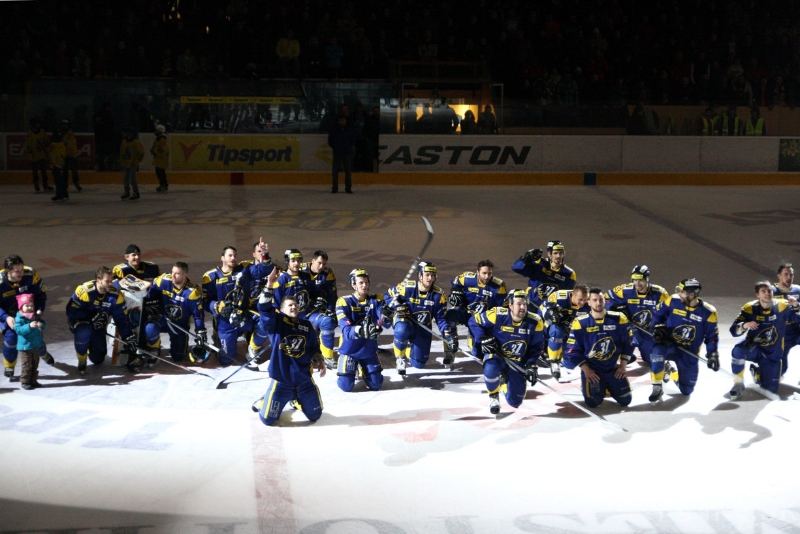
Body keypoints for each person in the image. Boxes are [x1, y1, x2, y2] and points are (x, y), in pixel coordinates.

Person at [251, 267, 326, 426]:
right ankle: (264, 401)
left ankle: (296, 400)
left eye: (295, 305)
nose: (294, 307)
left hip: (304, 381)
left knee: (315, 415)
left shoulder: (308, 326)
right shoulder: (276, 322)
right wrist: (269, 286)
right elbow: (264, 308)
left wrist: (319, 360)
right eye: (290, 305)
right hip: (282, 382)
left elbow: (313, 348)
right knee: (268, 420)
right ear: (282, 310)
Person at [254, 249, 336, 367]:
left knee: (327, 321)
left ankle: (327, 356)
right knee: (264, 326)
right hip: (287, 321)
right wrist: (284, 321)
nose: (296, 263)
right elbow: (275, 306)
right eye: (293, 260)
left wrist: (320, 299)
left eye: (298, 260)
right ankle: (254, 347)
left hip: (307, 316)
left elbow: (316, 293)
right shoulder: (281, 279)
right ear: (287, 262)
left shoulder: (306, 276)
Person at [468, 289, 545, 414]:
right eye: (519, 304)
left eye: (524, 304)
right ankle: (493, 395)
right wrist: (482, 338)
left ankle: (503, 381)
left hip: (516, 361)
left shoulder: (536, 321)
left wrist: (531, 364)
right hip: (496, 354)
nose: (522, 307)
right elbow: (473, 321)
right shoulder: (497, 314)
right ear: (510, 305)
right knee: (491, 368)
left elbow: (536, 346)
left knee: (515, 402)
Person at [647, 278, 720, 404]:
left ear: (691, 295)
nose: (678, 294)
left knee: (687, 390)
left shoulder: (709, 312)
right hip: (669, 345)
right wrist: (655, 327)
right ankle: (657, 387)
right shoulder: (672, 300)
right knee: (657, 351)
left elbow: (712, 336)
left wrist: (712, 354)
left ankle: (671, 371)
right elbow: (657, 313)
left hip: (688, 351)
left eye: (682, 292)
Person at [202, 239, 272, 366]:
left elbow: (264, 270)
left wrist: (264, 254)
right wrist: (215, 306)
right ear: (222, 258)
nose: (233, 258)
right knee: (226, 360)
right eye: (230, 255)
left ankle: (252, 348)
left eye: (235, 255)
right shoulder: (210, 276)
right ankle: (218, 336)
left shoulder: (244, 269)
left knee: (266, 322)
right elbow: (205, 302)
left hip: (244, 315)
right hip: (225, 321)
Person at [563, 288, 634, 408]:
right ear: (589, 302)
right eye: (594, 300)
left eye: (601, 300)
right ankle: (593, 386)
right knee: (593, 402)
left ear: (605, 301)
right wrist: (586, 370)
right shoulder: (580, 322)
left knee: (626, 400)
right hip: (592, 370)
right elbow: (571, 350)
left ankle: (607, 386)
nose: (598, 303)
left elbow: (629, 343)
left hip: (612, 368)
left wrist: (623, 365)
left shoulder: (619, 318)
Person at [728, 281, 800, 398]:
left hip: (773, 355)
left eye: (769, 290)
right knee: (738, 350)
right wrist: (744, 325)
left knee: (771, 389)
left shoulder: (782, 306)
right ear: (757, 295)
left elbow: (798, 318)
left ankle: (758, 373)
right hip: (754, 348)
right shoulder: (750, 308)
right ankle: (738, 383)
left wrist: (796, 306)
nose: (767, 293)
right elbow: (733, 331)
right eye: (763, 291)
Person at [384, 262, 453, 375]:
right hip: (406, 322)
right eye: (427, 275)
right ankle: (400, 358)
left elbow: (441, 318)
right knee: (401, 329)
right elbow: (388, 295)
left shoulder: (439, 295)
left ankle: (408, 349)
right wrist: (397, 305)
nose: (430, 278)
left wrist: (447, 333)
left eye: (432, 275)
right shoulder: (407, 287)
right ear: (420, 276)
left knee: (419, 363)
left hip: (423, 327)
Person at [65, 266, 136, 375]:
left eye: (111, 280)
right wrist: (90, 316)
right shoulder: (85, 291)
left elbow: (121, 319)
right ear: (98, 280)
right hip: (80, 323)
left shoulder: (115, 296)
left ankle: (90, 344)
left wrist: (128, 335)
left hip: (98, 327)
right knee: (84, 330)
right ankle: (82, 358)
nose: (110, 284)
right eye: (107, 281)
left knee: (98, 359)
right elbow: (70, 311)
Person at [604, 265, 670, 368]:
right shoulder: (623, 290)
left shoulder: (660, 293)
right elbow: (604, 299)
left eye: (640, 280)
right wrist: (615, 308)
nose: (637, 283)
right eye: (635, 280)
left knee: (651, 360)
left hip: (648, 333)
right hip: (628, 330)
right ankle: (623, 355)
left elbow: (669, 313)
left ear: (647, 279)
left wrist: (662, 328)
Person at [445, 260, 507, 364]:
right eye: (484, 273)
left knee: (478, 353)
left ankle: (472, 337)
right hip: (465, 312)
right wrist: (455, 293)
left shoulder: (499, 286)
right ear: (477, 272)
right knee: (449, 315)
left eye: (489, 273)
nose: (487, 276)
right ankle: (449, 350)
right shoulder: (466, 278)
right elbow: (454, 283)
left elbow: (501, 310)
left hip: (481, 320)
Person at [144, 262, 207, 363]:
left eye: (176, 273)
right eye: (172, 272)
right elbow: (151, 291)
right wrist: (151, 303)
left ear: (184, 275)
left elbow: (198, 315)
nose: (172, 276)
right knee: (150, 328)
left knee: (178, 357)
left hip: (179, 325)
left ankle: (180, 347)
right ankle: (154, 348)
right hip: (163, 318)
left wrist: (200, 331)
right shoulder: (163, 280)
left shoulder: (193, 292)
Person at [335, 269, 386, 392]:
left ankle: (364, 370)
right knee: (346, 386)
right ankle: (351, 368)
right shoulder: (343, 302)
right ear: (353, 284)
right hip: (350, 350)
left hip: (368, 350)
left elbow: (385, 320)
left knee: (376, 384)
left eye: (366, 282)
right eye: (361, 283)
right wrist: (362, 330)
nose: (364, 285)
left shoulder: (377, 299)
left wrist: (388, 314)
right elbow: (346, 331)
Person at [1, 255, 49, 381]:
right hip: (6, 314)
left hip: (28, 312)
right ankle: (9, 366)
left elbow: (41, 295)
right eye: (17, 271)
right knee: (11, 337)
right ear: (8, 271)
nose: (21, 273)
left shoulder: (31, 275)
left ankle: (43, 353)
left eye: (22, 269)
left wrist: (39, 310)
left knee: (35, 334)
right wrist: (5, 317)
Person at [540, 284, 590, 379]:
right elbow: (545, 313)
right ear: (573, 295)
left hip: (572, 330)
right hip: (551, 326)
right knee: (556, 331)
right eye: (580, 299)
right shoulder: (558, 297)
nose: (583, 303)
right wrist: (556, 317)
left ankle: (564, 356)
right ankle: (554, 360)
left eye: (585, 300)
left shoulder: (590, 302)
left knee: (570, 363)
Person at [511, 240, 577, 309]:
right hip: (530, 304)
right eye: (555, 253)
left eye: (561, 253)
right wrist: (526, 258)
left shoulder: (570, 274)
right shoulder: (540, 263)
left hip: (548, 309)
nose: (558, 256)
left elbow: (568, 297)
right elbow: (516, 268)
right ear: (549, 254)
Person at [14, 293, 47, 390]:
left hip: (35, 345)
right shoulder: (19, 318)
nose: (29, 308)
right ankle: (25, 382)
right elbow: (18, 330)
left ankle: (33, 380)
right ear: (21, 307)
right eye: (27, 306)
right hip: (25, 347)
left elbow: (43, 324)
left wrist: (41, 325)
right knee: (27, 365)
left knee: (35, 364)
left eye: (31, 305)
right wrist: (29, 326)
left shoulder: (35, 316)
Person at [772, 263, 800, 378]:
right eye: (786, 274)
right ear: (779, 276)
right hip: (780, 336)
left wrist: (797, 306)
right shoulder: (771, 291)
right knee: (779, 372)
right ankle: (759, 373)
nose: (789, 277)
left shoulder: (798, 290)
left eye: (791, 274)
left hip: (795, 331)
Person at [23, 117, 52, 193]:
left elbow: (46, 141)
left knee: (44, 172)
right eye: (37, 124)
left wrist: (47, 149)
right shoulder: (30, 133)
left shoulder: (42, 132)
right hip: (34, 156)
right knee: (35, 172)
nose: (38, 125)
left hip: (42, 155)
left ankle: (45, 185)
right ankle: (36, 185)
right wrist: (29, 155)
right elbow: (27, 145)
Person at [328, 114, 355, 193]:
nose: (342, 122)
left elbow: (352, 140)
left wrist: (348, 147)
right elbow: (330, 141)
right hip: (337, 152)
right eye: (340, 120)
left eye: (343, 120)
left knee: (348, 171)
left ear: (346, 121)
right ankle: (335, 188)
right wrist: (336, 147)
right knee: (335, 171)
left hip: (347, 152)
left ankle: (348, 188)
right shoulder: (334, 130)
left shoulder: (350, 130)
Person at [119, 126, 144, 200]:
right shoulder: (124, 142)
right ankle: (126, 191)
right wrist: (121, 161)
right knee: (125, 178)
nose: (123, 134)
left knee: (132, 178)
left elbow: (141, 152)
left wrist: (136, 161)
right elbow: (122, 153)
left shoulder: (135, 142)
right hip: (126, 163)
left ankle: (136, 192)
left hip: (133, 163)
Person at [49, 128, 69, 202]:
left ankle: (60, 194)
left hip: (57, 164)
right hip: (59, 163)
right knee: (60, 180)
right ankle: (64, 194)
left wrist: (53, 163)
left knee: (58, 180)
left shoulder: (54, 145)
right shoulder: (61, 144)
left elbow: (53, 155)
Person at [61, 119, 81, 192]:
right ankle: (64, 184)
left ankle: (76, 182)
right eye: (63, 125)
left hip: (72, 154)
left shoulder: (70, 133)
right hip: (64, 155)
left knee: (74, 170)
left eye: (66, 125)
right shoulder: (60, 134)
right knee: (64, 171)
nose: (64, 126)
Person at [151, 124, 169, 192]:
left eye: (157, 130)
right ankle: (162, 184)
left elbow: (162, 149)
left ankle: (164, 185)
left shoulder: (162, 139)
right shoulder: (158, 138)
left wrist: (155, 151)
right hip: (158, 158)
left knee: (161, 173)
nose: (155, 132)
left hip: (161, 159)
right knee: (159, 172)